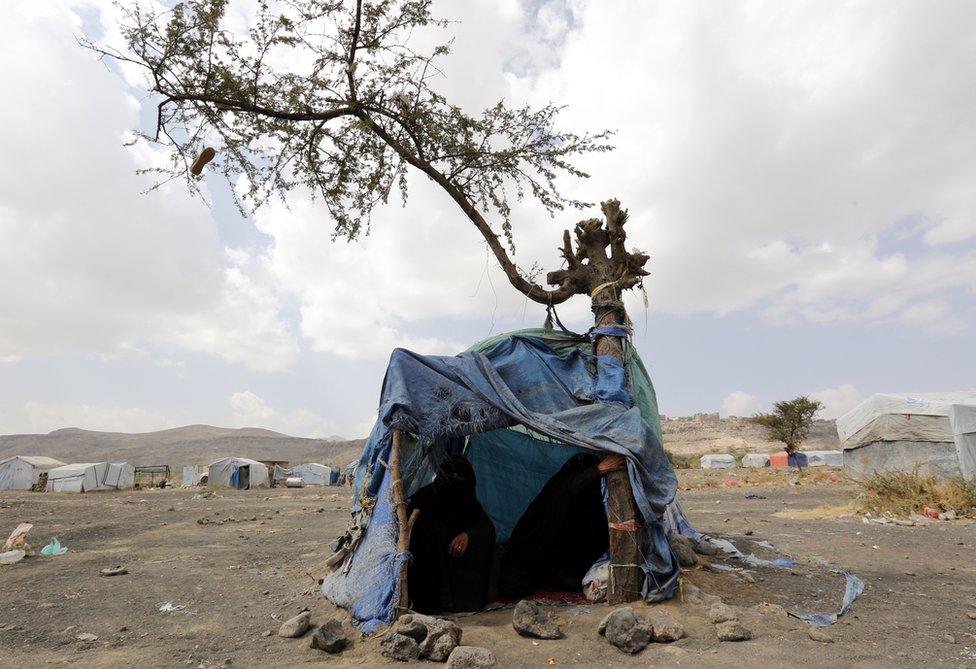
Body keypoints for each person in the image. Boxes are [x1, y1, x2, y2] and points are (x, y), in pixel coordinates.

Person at [497, 451, 626, 598]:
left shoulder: (588, 504)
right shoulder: (557, 494)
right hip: (532, 558)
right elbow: (573, 488)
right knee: (512, 587)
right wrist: (599, 469)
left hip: (561, 562)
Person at [407, 453, 496, 613]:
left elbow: (486, 528)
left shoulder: (469, 502)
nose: (455, 483)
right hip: (431, 573)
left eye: (460, 479)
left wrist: (468, 535)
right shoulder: (425, 497)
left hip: (459, 572)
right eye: (451, 477)